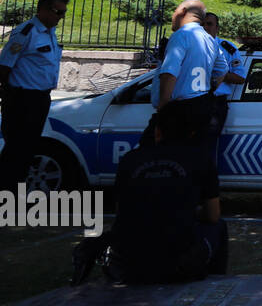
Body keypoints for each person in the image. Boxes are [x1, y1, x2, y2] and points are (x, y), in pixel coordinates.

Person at [72, 103, 227, 285]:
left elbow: (122, 211)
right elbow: (213, 215)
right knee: (219, 227)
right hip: (177, 263)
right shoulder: (201, 159)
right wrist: (189, 211)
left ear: (157, 131)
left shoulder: (130, 159)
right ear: (193, 133)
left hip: (127, 261)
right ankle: (215, 282)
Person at [0, 0, 68, 190]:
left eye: (64, 12)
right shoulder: (26, 32)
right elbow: (4, 66)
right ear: (44, 10)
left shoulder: (50, 33)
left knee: (28, 150)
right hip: (22, 100)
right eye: (58, 12)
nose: (61, 17)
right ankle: (6, 193)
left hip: (40, 99)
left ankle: (14, 193)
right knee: (16, 151)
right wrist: (9, 96)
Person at [151, 0, 227, 146]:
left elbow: (169, 74)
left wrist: (162, 111)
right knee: (191, 155)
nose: (172, 16)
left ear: (182, 11)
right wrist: (210, 89)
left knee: (158, 154)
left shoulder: (181, 35)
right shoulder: (210, 39)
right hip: (202, 106)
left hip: (178, 112)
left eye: (174, 11)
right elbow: (222, 69)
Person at [201, 12, 246, 170]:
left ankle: (207, 181)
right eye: (202, 24)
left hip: (215, 103)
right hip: (191, 101)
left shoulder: (227, 48)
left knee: (208, 146)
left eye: (209, 24)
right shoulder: (190, 47)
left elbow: (240, 78)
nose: (205, 27)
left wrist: (218, 73)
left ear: (217, 28)